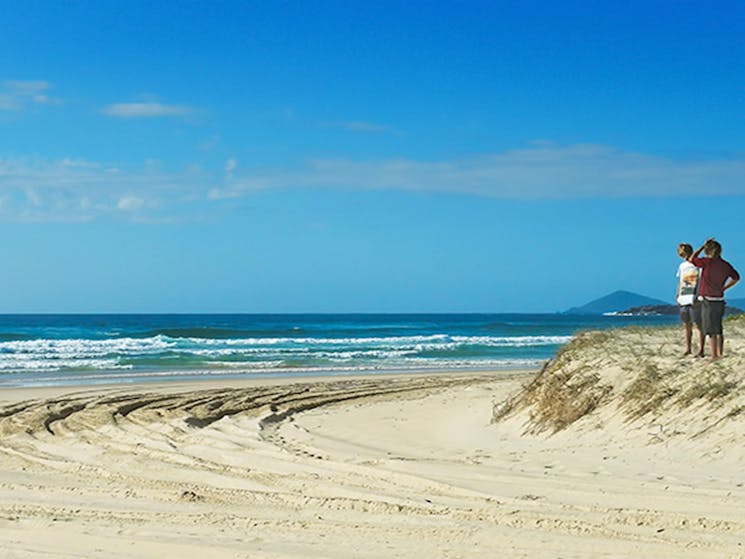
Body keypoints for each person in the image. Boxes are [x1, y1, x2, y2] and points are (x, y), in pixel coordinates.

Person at [689, 238, 740, 359]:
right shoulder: (725, 265)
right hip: (719, 299)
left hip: (708, 299)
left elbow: (692, 259)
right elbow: (736, 278)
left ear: (708, 251)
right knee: (718, 327)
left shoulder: (707, 262)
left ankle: (714, 355)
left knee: (711, 329)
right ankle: (720, 352)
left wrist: (701, 246)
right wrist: (724, 288)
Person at [676, 243, 704, 356]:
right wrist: (677, 295)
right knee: (686, 325)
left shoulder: (698, 265)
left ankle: (701, 349)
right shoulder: (682, 266)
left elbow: (702, 280)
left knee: (698, 325)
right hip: (684, 297)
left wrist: (700, 296)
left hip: (695, 297)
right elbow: (680, 281)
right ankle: (688, 349)